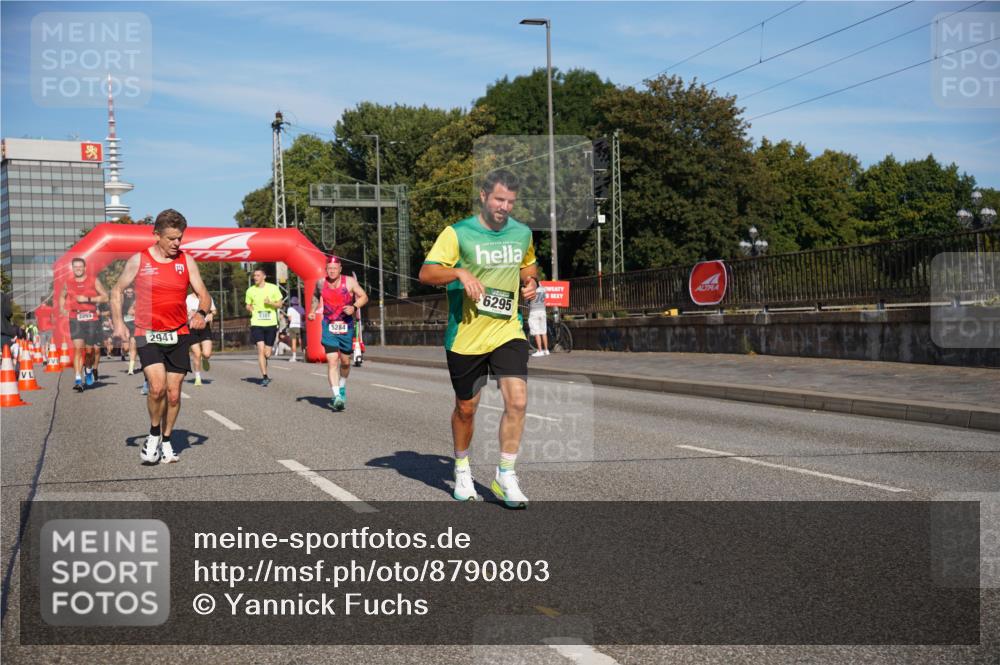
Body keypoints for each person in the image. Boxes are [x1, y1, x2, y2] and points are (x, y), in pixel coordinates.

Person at [418, 169, 538, 508]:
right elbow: (426, 273)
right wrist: (458, 271)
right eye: (499, 199)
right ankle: (461, 468)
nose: (504, 207)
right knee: (466, 409)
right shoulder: (457, 233)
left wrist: (531, 283)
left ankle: (505, 475)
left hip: (507, 329)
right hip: (466, 335)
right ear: (484, 196)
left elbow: (528, 267)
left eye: (511, 202)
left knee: (517, 401)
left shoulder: (522, 233)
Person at [112, 209, 211, 465]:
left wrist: (201, 312)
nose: (177, 243)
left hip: (178, 332)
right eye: (171, 238)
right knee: (156, 388)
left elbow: (203, 293)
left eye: (180, 238)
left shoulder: (186, 261)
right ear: (156, 235)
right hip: (148, 332)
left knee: (174, 394)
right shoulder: (139, 260)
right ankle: (154, 433)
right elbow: (117, 290)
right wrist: (119, 322)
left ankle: (166, 440)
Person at [309, 256, 368, 411]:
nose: (332, 271)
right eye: (329, 268)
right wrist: (312, 311)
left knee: (345, 362)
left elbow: (364, 296)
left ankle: (342, 384)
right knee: (332, 361)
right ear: (326, 269)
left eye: (335, 268)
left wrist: (354, 307)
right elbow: (315, 295)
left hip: (346, 326)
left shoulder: (349, 282)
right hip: (329, 326)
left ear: (340, 269)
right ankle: (337, 397)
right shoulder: (321, 283)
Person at [59, 257, 109, 391]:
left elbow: (105, 297)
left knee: (89, 351)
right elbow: (62, 296)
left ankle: (88, 369)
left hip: (91, 318)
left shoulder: (93, 280)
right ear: (72, 268)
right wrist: (62, 308)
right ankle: (78, 379)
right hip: (75, 317)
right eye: (75, 267)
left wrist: (87, 299)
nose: (78, 269)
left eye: (80, 266)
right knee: (78, 349)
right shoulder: (68, 282)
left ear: (85, 268)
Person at [245, 268, 283, 386]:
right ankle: (265, 376)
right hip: (257, 323)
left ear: (264, 277)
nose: (255, 277)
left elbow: (280, 304)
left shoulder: (273, 288)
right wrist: (249, 308)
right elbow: (248, 304)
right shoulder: (250, 290)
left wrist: (270, 303)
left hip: (271, 323)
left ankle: (267, 358)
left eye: (258, 275)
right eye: (254, 276)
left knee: (267, 353)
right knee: (260, 349)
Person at [186, 290, 217, 386]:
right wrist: (188, 314)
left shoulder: (207, 297)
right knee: (197, 353)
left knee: (207, 354)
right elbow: (180, 313)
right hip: (192, 328)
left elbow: (214, 310)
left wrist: (211, 314)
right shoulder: (187, 298)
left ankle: (205, 359)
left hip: (205, 328)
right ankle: (198, 378)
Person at [528, 279, 549, 357]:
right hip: (542, 311)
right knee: (543, 331)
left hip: (534, 312)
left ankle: (540, 350)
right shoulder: (543, 288)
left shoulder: (532, 289)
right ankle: (546, 350)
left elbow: (528, 300)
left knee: (536, 332)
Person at [286, 296, 303, 362]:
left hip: (293, 326)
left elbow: (289, 318)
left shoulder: (290, 309)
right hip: (300, 326)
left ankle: (294, 357)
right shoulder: (301, 309)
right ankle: (304, 355)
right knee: (302, 341)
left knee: (293, 342)